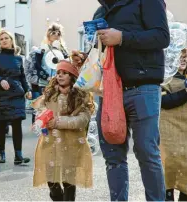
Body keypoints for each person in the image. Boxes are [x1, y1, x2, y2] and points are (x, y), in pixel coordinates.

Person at [72, 0, 170, 201]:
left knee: (147, 153)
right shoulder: (100, 11)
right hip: (110, 91)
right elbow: (99, 53)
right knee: (113, 157)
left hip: (143, 86)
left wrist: (122, 37)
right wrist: (86, 58)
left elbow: (162, 37)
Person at [33, 61, 94, 201]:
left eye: (64, 73)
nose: (60, 76)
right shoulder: (49, 94)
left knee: (68, 181)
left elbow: (83, 119)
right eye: (58, 73)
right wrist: (42, 119)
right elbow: (40, 109)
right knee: (51, 180)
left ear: (72, 76)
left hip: (71, 144)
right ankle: (56, 197)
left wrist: (59, 122)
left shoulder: (80, 96)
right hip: (50, 143)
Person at [0, 30, 32, 165]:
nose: (4, 40)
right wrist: (0, 80)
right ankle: (2, 154)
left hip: (17, 95)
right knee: (1, 125)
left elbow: (22, 76)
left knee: (17, 124)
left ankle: (19, 156)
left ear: (12, 40)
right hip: (0, 96)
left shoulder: (18, 58)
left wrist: (27, 89)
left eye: (6, 38)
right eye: (1, 39)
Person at [25, 22, 69, 123]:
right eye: (53, 32)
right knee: (42, 106)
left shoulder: (63, 50)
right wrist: (45, 77)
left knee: (57, 106)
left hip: (59, 82)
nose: (56, 35)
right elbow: (36, 66)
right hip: (44, 82)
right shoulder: (41, 50)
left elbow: (66, 65)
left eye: (58, 33)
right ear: (48, 34)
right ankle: (40, 126)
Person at [160, 48, 187, 201]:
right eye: (179, 55)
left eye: (185, 56)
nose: (183, 59)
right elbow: (163, 102)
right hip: (168, 136)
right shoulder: (164, 79)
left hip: (185, 137)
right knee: (166, 173)